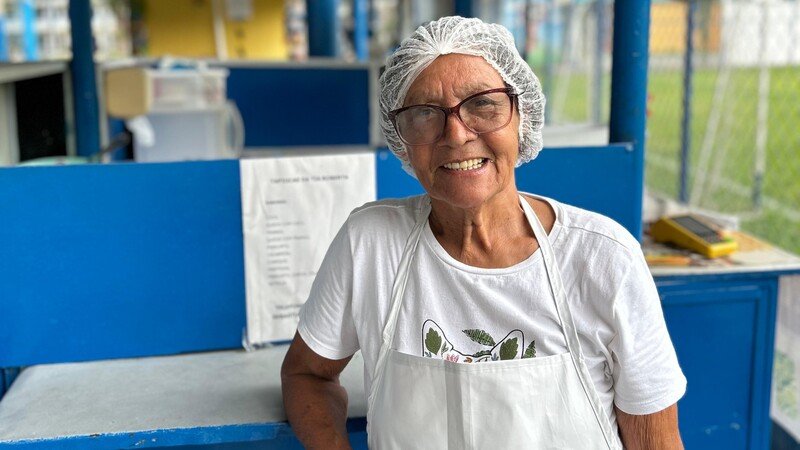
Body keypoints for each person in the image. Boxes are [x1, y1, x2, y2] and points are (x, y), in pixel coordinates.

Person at [281, 16, 686, 449]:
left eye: (483, 104)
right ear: (401, 139)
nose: (456, 135)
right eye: (424, 114)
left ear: (521, 117)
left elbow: (654, 442)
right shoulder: (371, 244)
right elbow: (307, 373)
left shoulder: (602, 257)